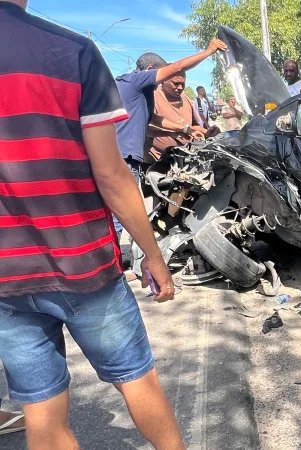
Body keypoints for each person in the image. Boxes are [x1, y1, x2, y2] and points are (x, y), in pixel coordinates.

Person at [0, 1, 181, 449]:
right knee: (136, 379)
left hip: (6, 276)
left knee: (42, 412)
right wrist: (153, 255)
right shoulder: (70, 50)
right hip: (83, 263)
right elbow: (111, 174)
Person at [113, 39, 227, 235]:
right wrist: (209, 51)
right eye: (164, 76)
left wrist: (186, 130)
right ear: (150, 69)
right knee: (124, 210)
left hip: (125, 157)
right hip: (125, 157)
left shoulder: (137, 91)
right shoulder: (135, 80)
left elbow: (155, 119)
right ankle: (116, 250)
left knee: (122, 208)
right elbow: (178, 67)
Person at [147, 72, 220, 164]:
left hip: (186, 157)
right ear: (164, 80)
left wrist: (206, 132)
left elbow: (192, 126)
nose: (180, 87)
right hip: (158, 160)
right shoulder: (152, 97)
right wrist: (181, 130)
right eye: (176, 83)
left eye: (183, 84)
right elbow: (148, 128)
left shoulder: (185, 98)